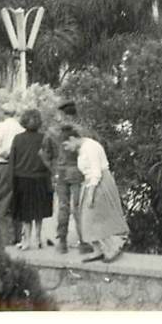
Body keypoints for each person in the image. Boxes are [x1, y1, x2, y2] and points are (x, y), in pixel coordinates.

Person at [59, 125, 129, 263]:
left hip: (99, 183)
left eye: (66, 144)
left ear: (72, 139)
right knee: (86, 218)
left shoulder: (90, 147)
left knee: (97, 216)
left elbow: (96, 171)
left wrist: (91, 194)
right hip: (90, 182)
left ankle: (112, 248)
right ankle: (98, 250)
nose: (66, 148)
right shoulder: (82, 148)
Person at [48, 102, 90, 255]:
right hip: (76, 170)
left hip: (60, 171)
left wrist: (53, 169)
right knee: (78, 207)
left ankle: (62, 242)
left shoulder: (53, 132)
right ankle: (83, 242)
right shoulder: (81, 131)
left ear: (62, 114)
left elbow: (44, 153)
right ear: (75, 114)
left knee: (63, 206)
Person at [10, 109, 54, 250]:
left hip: (22, 178)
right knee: (39, 211)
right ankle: (38, 239)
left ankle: (26, 240)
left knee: (25, 213)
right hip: (41, 178)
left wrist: (12, 180)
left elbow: (12, 161)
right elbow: (50, 158)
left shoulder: (17, 139)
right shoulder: (44, 138)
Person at [0, 106, 25, 246]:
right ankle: (18, 235)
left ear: (3, 114)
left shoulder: (1, 127)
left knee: (1, 201)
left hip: (2, 166)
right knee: (16, 200)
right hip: (18, 167)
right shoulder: (21, 128)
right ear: (15, 113)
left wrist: (4, 153)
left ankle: (5, 237)